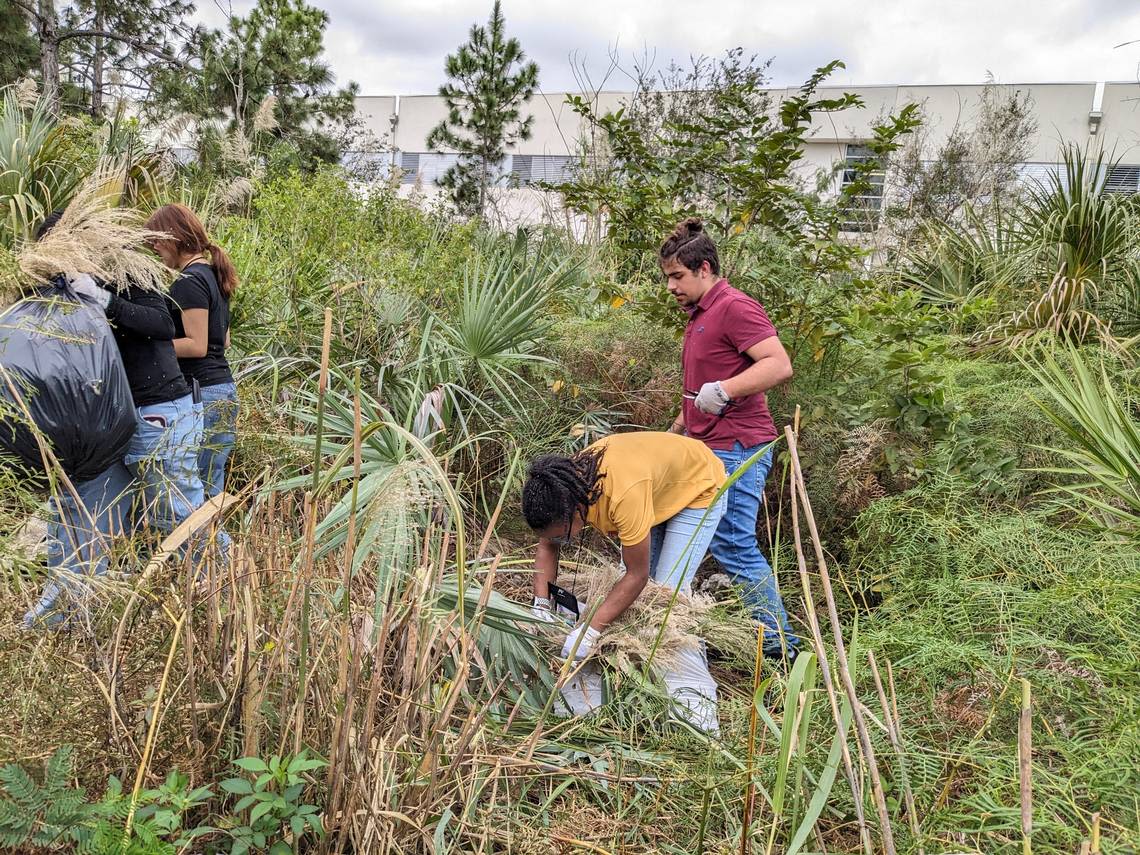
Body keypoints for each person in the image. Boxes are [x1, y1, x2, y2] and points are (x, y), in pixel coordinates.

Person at [25, 216, 211, 628]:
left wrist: (103, 299)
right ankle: (61, 617)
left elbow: (162, 325)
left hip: (154, 411)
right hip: (96, 423)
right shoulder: (50, 291)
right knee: (81, 513)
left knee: (175, 511)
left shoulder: (125, 271)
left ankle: (224, 594)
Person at [660, 218, 800, 661]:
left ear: (704, 269)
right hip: (703, 444)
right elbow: (696, 387)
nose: (670, 287)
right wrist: (677, 430)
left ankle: (782, 651)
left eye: (677, 277)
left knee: (733, 543)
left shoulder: (735, 307)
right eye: (667, 277)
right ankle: (661, 621)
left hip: (737, 445)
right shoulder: (700, 314)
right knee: (667, 525)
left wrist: (726, 389)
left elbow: (778, 365)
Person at [521, 431, 727, 660]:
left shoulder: (622, 495)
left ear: (575, 510)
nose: (558, 541)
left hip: (697, 485)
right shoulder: (560, 487)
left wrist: (589, 632)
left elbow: (637, 575)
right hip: (656, 485)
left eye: (562, 536)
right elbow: (547, 546)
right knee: (627, 597)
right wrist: (540, 606)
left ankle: (678, 670)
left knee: (665, 594)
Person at [145, 204, 239, 498]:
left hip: (204, 393)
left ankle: (205, 543)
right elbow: (223, 341)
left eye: (157, 243)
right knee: (211, 481)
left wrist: (150, 347)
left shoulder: (189, 281)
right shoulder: (214, 276)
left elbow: (197, 346)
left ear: (173, 238)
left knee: (193, 484)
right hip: (222, 389)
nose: (156, 251)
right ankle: (213, 543)